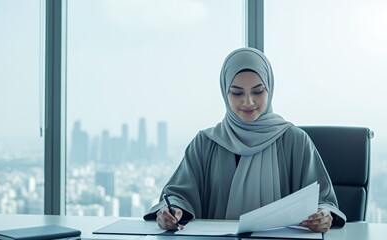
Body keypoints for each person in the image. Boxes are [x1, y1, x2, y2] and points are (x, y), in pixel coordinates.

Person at [143, 47, 346, 233]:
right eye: (237, 92)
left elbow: (322, 201)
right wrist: (172, 211)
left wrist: (323, 215)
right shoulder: (206, 143)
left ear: (270, 89)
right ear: (224, 92)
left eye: (258, 91)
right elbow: (178, 195)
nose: (248, 102)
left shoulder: (295, 141)